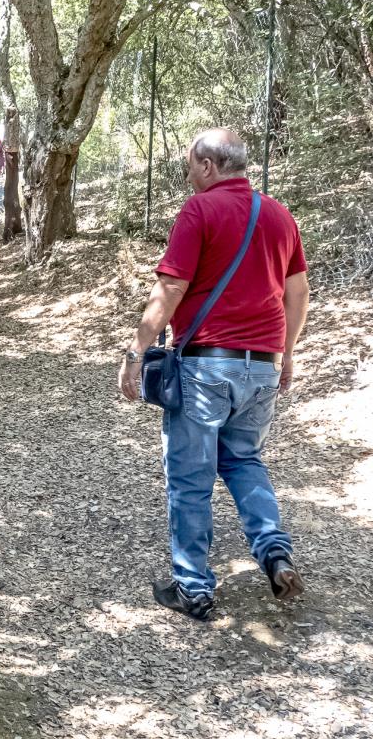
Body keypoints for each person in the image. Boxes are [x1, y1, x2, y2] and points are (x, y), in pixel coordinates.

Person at [118, 128, 310, 621]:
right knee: (245, 461)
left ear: (207, 165)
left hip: (207, 364)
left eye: (189, 163)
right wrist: (286, 353)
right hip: (262, 364)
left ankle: (194, 588)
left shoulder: (199, 210)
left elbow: (171, 289)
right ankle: (275, 553)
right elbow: (297, 293)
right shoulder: (279, 214)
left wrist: (137, 349)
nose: (188, 172)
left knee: (190, 478)